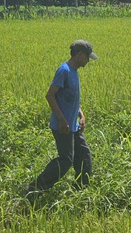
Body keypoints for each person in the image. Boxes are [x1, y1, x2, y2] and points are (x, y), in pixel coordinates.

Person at [25, 40, 98, 196]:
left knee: (84, 155)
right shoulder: (64, 70)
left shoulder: (74, 71)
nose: (88, 61)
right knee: (66, 160)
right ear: (79, 55)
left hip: (73, 124)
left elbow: (71, 97)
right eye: (87, 57)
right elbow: (50, 95)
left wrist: (81, 113)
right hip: (63, 126)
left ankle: (81, 190)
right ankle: (34, 189)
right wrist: (62, 120)